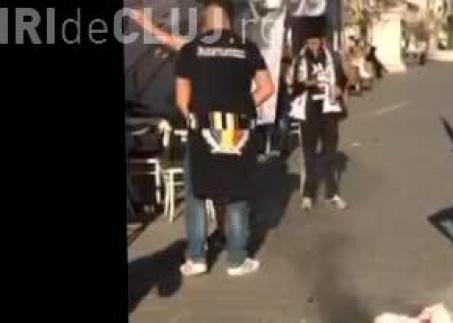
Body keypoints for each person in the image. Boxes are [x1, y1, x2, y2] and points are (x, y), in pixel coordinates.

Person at [131, 0, 275, 277]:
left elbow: (182, 100)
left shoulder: (193, 49)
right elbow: (267, 88)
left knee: (197, 194)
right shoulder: (247, 48)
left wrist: (146, 24)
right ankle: (237, 260)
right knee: (236, 195)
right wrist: (243, 108)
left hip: (203, 133)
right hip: (237, 131)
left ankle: (196, 258)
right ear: (230, 21)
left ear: (205, 22)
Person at [287, 17, 348, 211]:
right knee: (309, 154)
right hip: (308, 109)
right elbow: (291, 86)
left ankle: (332, 193)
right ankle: (308, 194)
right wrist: (305, 84)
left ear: (322, 41)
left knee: (330, 152)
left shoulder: (333, 57)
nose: (313, 46)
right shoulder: (299, 59)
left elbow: (343, 78)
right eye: (310, 42)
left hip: (329, 109)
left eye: (316, 42)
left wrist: (339, 87)